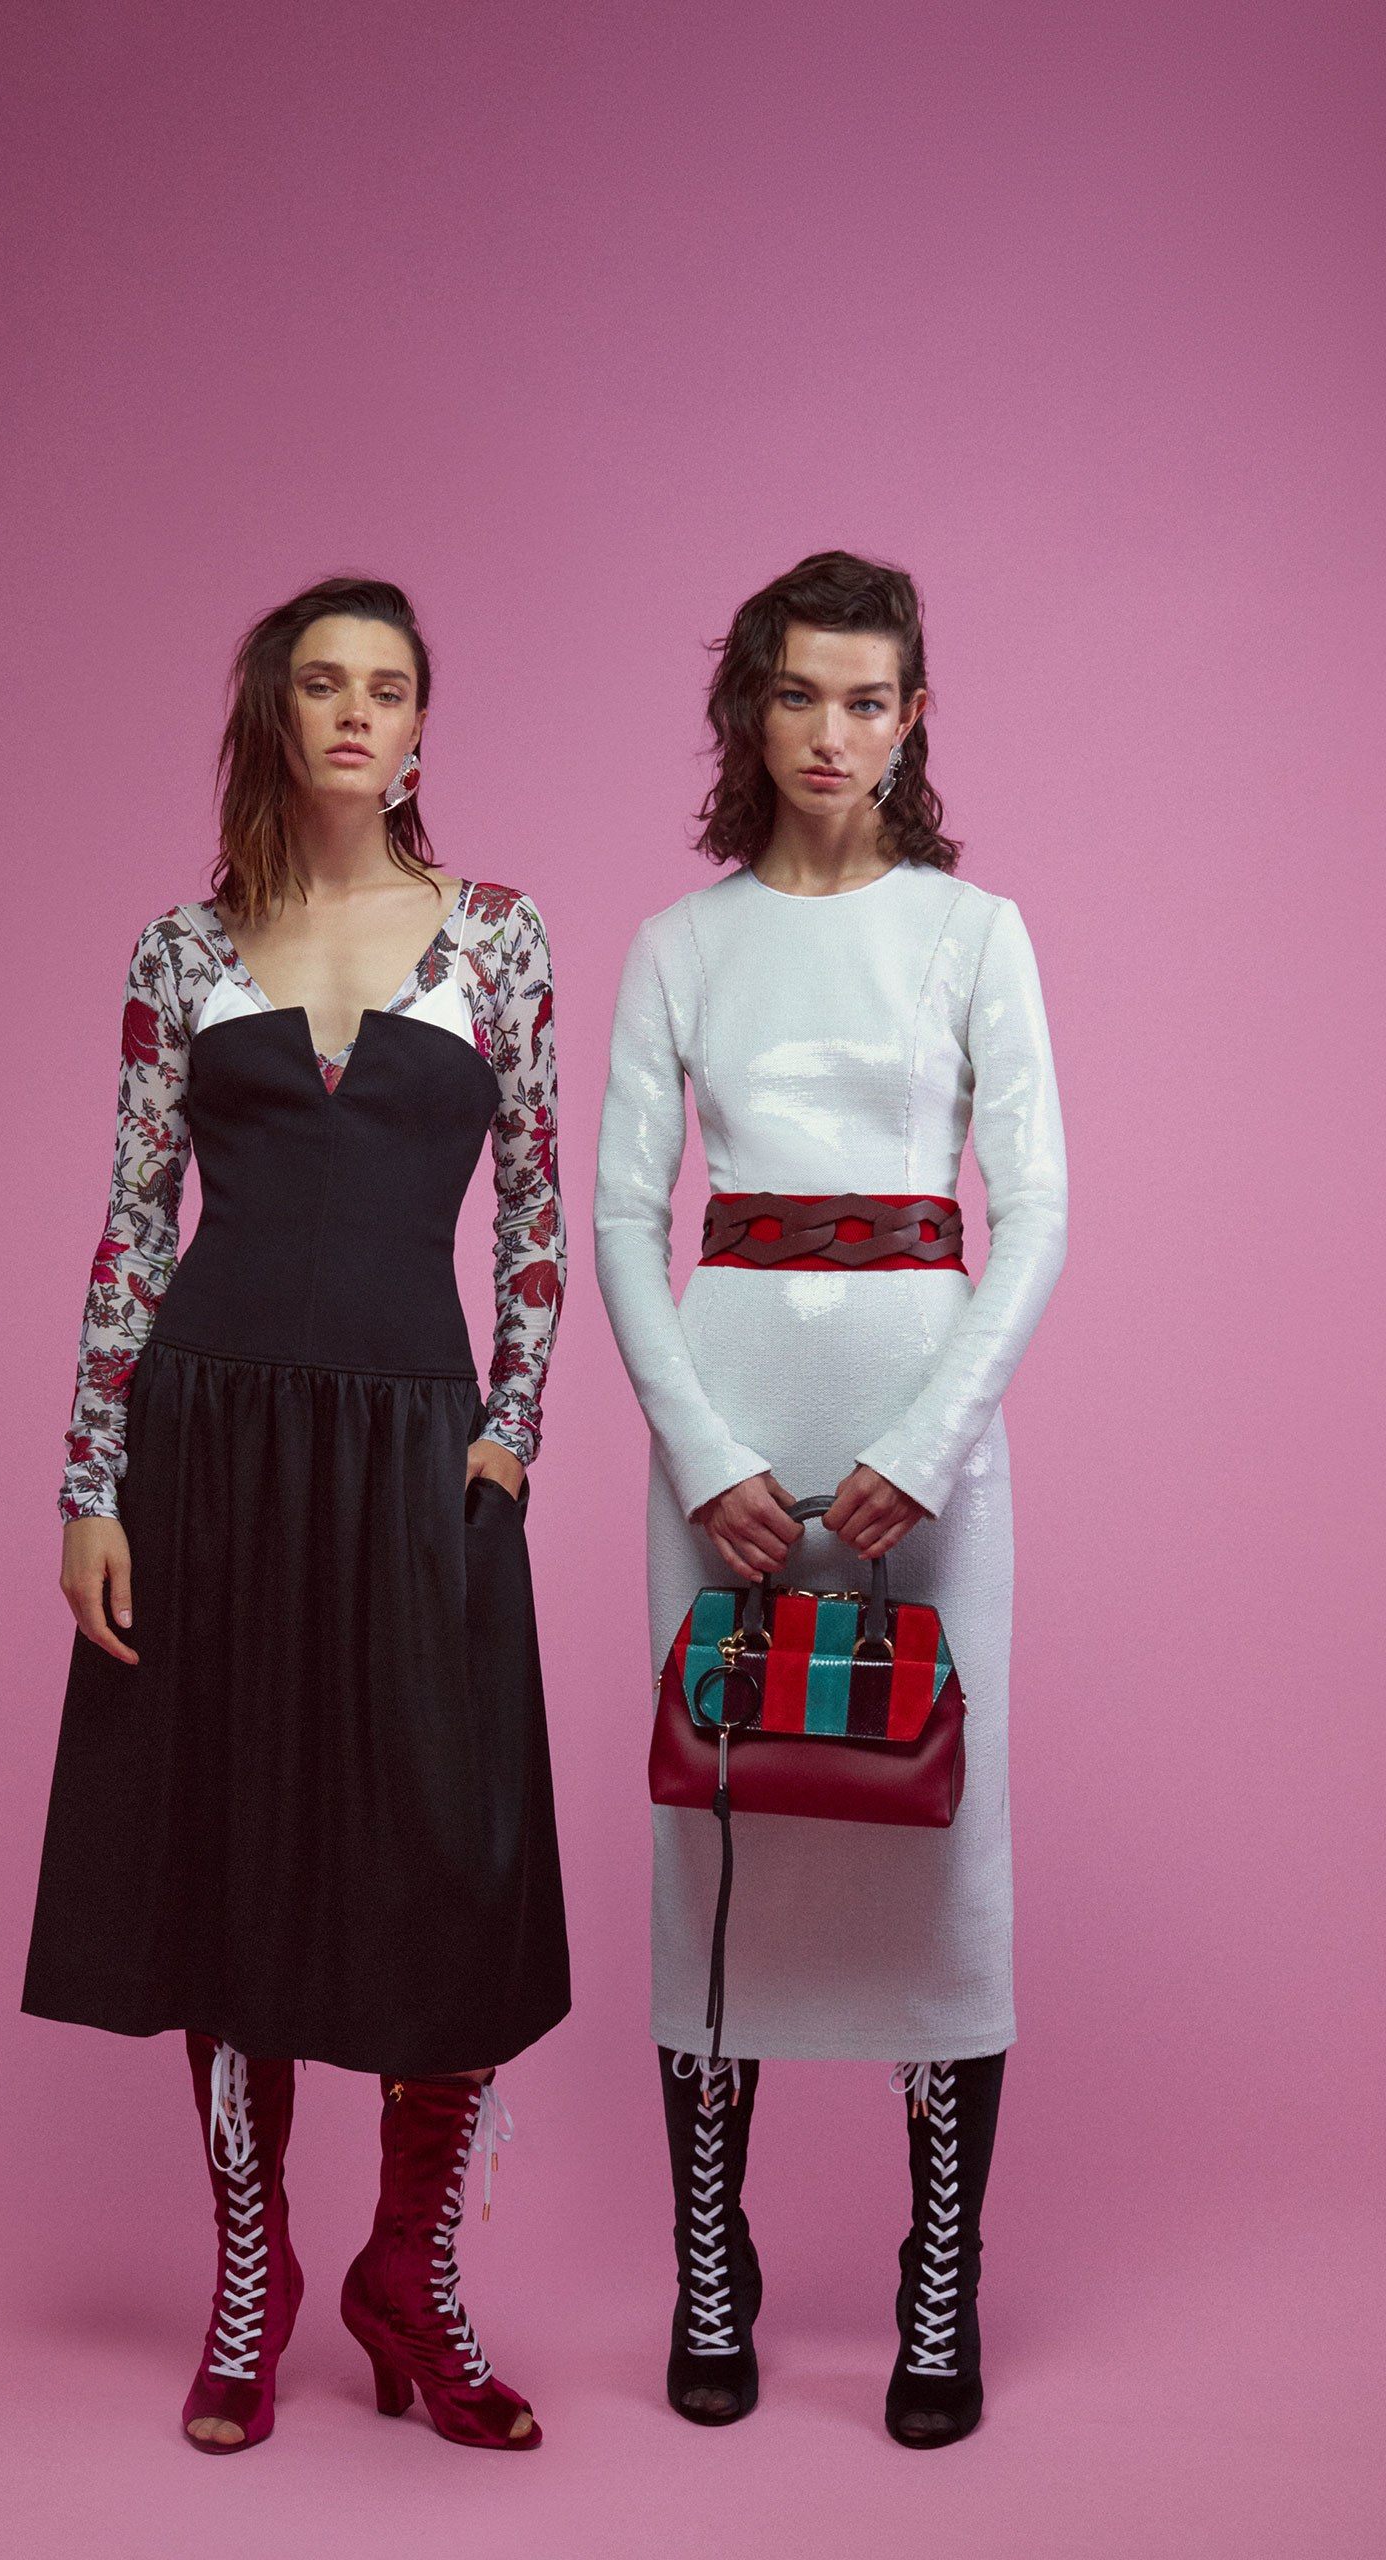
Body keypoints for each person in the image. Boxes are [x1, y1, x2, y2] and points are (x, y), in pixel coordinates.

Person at [24, 575, 569, 2454]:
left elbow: (539, 1215)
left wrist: (508, 1434)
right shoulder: (181, 950)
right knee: (236, 1859)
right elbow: (131, 1225)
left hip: (419, 1448)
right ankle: (249, 2275)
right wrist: (91, 1485)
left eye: (388, 688)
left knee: (453, 1862)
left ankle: (410, 2271)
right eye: (323, 683)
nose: (356, 712)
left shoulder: (499, 936)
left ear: (421, 728)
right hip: (215, 1443)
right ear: (276, 714)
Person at [593, 550, 1066, 2446]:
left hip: (920, 1436)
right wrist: (704, 1453)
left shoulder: (977, 932)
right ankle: (711, 2252)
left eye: (868, 700)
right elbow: (624, 1221)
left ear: (913, 718)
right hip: (723, 1433)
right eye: (799, 693)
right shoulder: (678, 945)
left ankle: (940, 2268)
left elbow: (1038, 1214)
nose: (831, 733)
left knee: (940, 1833)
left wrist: (925, 1445)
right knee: (715, 1820)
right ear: (751, 707)